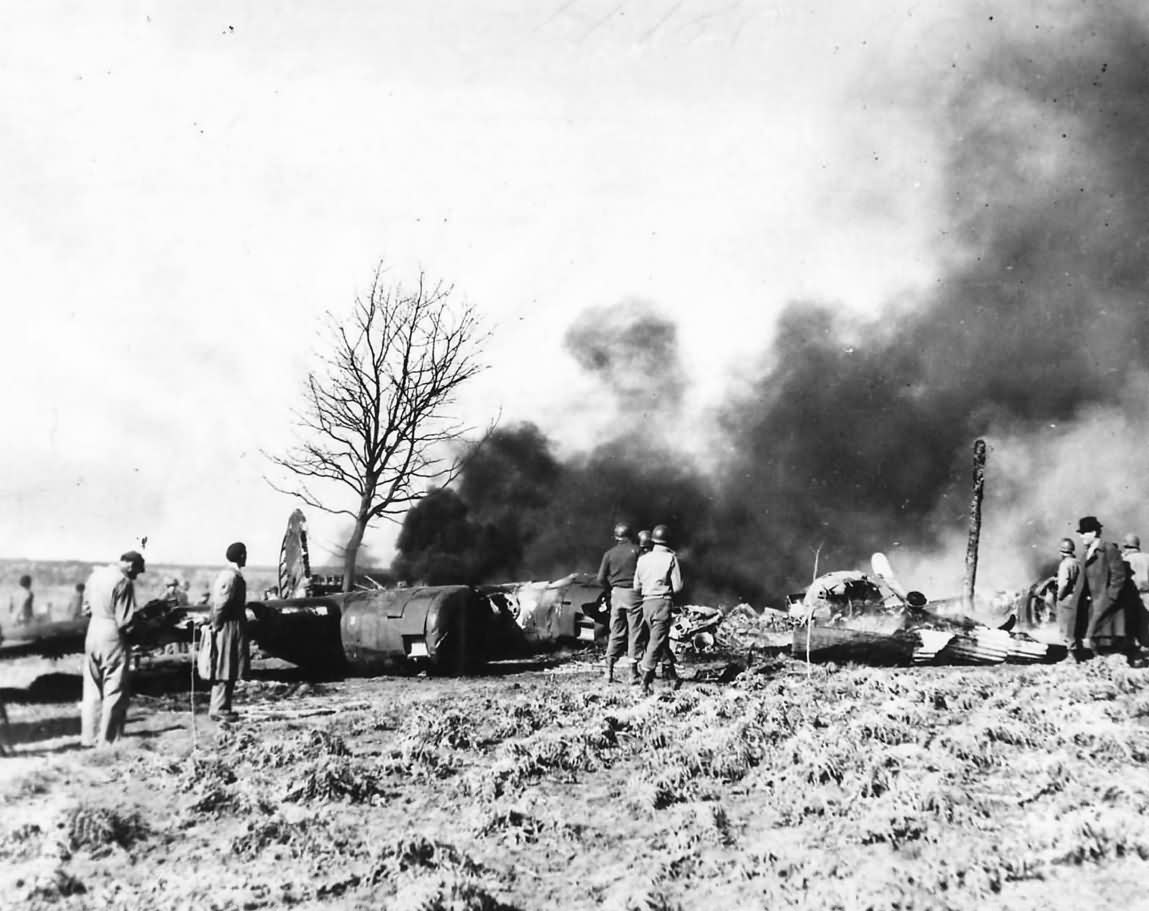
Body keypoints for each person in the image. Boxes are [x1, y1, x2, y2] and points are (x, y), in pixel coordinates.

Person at [81, 550, 145, 746]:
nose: (136, 575)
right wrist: (141, 627)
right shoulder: (123, 582)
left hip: (93, 631)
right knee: (114, 688)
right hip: (112, 635)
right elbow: (125, 622)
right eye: (137, 571)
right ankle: (107, 740)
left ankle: (88, 738)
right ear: (130, 565)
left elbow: (85, 610)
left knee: (91, 689)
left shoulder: (95, 575)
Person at [1068, 516, 1134, 657]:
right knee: (1095, 643)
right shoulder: (1086, 554)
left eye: (1083, 533)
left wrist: (1110, 598)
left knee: (1108, 646)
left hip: (1110, 609)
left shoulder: (1109, 550)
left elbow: (1119, 576)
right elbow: (1082, 585)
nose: (1081, 536)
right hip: (1095, 607)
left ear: (1093, 532)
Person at [200, 542, 248, 722]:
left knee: (229, 666)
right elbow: (220, 604)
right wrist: (217, 624)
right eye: (245, 554)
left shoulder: (232, 575)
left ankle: (222, 707)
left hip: (231, 626)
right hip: (228, 627)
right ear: (241, 556)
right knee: (224, 667)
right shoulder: (230, 577)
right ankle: (219, 708)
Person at [634, 524, 684, 695]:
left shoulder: (642, 559)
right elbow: (677, 587)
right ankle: (645, 678)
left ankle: (673, 676)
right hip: (662, 603)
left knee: (658, 639)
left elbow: (636, 586)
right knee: (656, 642)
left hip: (646, 604)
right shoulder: (670, 558)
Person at [596, 522, 642, 685]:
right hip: (634, 594)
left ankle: (608, 671)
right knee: (634, 632)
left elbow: (600, 578)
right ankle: (633, 673)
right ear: (631, 535)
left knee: (616, 631)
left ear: (616, 537)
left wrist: (610, 590)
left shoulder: (609, 554)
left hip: (616, 594)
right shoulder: (637, 551)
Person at [1121, 533, 1149, 655]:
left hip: (1131, 596)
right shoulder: (1147, 557)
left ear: (1126, 546)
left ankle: (1134, 652)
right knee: (1145, 623)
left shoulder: (1125, 559)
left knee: (1131, 623)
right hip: (1147, 594)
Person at [1055, 538, 1081, 654]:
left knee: (1065, 628)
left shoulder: (1065, 564)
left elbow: (1064, 584)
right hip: (1077, 598)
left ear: (1062, 552)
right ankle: (1077, 653)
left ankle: (1069, 655)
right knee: (1075, 628)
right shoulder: (1078, 562)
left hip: (1066, 599)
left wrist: (1059, 596)